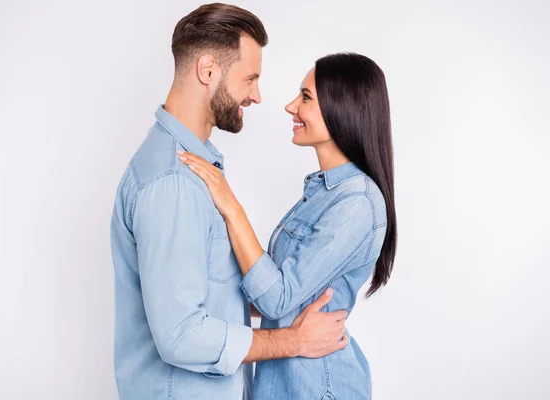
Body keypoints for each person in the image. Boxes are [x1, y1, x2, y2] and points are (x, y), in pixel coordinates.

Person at [110, 4, 349, 400]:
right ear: (208, 71)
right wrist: (294, 341)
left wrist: (283, 305)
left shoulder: (195, 166)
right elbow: (182, 335)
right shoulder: (174, 182)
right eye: (250, 78)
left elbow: (200, 291)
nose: (256, 95)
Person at [178, 52, 398, 400]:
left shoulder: (356, 203)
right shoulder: (322, 192)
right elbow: (269, 293)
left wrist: (230, 207)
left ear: (343, 107)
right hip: (281, 382)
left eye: (306, 97)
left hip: (316, 387)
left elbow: (276, 299)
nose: (290, 106)